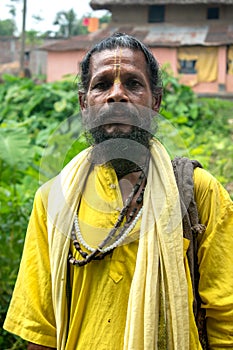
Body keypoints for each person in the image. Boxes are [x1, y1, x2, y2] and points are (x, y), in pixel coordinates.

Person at [3, 33, 233, 350]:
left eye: (133, 83)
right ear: (85, 104)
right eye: (102, 85)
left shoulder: (199, 192)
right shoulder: (53, 199)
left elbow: (227, 322)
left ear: (155, 102)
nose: (117, 95)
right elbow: (41, 332)